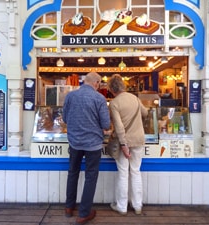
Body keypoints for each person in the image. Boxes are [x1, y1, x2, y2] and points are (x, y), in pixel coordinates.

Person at [63, 72, 111, 225]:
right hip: (93, 144)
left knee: (73, 172)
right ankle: (84, 213)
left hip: (74, 142)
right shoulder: (99, 98)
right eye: (99, 83)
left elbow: (64, 118)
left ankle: (69, 207)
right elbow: (106, 124)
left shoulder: (70, 96)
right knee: (90, 176)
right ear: (96, 82)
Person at [107, 74, 148, 216]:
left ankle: (122, 206)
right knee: (136, 171)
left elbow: (118, 127)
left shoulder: (114, 103)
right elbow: (145, 112)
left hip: (124, 141)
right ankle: (137, 206)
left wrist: (124, 144)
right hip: (138, 139)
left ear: (112, 89)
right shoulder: (135, 98)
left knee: (123, 173)